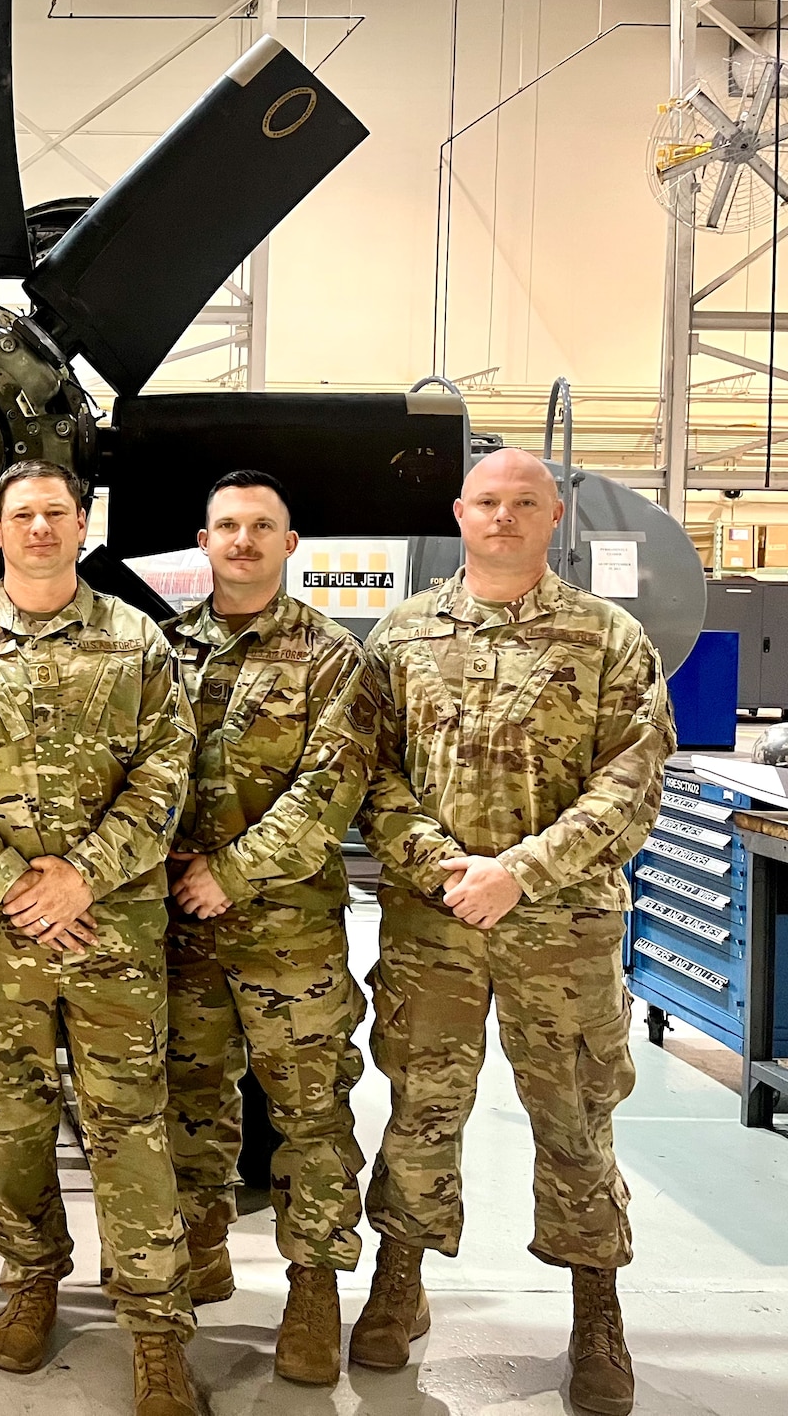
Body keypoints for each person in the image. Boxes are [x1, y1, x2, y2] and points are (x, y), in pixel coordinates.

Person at [354, 446, 675, 1416]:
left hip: (561, 931)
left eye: (521, 503)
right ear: (458, 514)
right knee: (419, 1109)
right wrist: (440, 868)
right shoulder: (401, 637)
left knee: (574, 1123)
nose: (501, 517)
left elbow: (630, 783)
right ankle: (397, 1283)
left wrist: (517, 872)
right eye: (486, 502)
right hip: (434, 924)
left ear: (551, 519)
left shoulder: (608, 640)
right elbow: (370, 777)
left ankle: (594, 1315)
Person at [0, 460, 205, 1416]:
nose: (40, 528)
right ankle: (31, 1277)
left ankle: (155, 1327)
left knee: (129, 1125)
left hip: (111, 926)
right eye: (22, 515)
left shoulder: (137, 643)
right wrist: (11, 885)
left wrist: (83, 875)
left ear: (83, 526)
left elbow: (167, 772)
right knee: (8, 1122)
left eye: (56, 514)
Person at [161, 470, 379, 1386]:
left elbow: (331, 790)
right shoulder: (163, 650)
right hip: (175, 922)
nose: (242, 541)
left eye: (261, 527)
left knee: (309, 1110)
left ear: (291, 546)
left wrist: (231, 872)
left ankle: (315, 1287)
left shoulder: (336, 658)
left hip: (287, 928)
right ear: (203, 543)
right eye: (226, 527)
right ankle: (201, 1243)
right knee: (186, 1094)